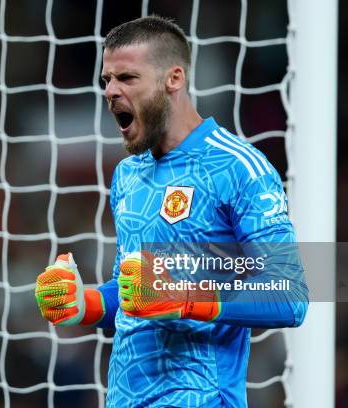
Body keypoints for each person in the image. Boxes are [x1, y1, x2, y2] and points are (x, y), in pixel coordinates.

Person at [35, 15, 308, 407]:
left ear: (173, 79)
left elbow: (290, 296)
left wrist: (183, 295)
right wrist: (85, 303)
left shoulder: (238, 168)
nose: (110, 91)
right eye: (106, 80)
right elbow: (134, 297)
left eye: (127, 78)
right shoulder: (128, 175)